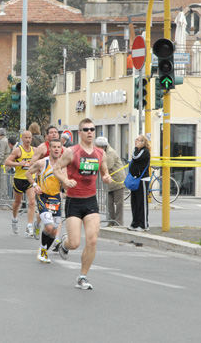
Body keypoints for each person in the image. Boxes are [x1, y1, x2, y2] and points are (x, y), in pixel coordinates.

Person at [53, 118, 112, 290]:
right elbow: (56, 168)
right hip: (74, 201)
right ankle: (64, 243)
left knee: (92, 240)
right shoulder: (72, 152)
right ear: (79, 133)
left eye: (92, 129)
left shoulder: (100, 153)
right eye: (86, 129)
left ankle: (82, 277)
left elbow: (104, 171)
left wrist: (106, 177)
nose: (89, 132)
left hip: (91, 200)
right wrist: (65, 179)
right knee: (75, 243)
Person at [26, 139, 64, 263]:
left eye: (59, 147)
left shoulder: (63, 165)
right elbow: (28, 173)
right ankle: (42, 249)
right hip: (43, 196)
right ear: (50, 149)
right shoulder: (42, 163)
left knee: (54, 231)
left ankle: (45, 250)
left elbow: (66, 182)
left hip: (56, 199)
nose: (57, 149)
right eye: (54, 147)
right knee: (49, 226)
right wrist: (35, 185)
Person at [5, 130, 36, 236]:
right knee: (17, 202)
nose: (28, 140)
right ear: (22, 138)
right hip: (19, 179)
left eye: (30, 138)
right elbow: (7, 162)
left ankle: (29, 226)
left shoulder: (34, 150)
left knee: (32, 202)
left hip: (30, 179)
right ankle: (14, 218)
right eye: (26, 138)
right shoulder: (18, 150)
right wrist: (18, 164)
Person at [95, 137, 126, 226]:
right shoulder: (103, 152)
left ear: (103, 146)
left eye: (99, 148)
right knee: (109, 203)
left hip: (117, 180)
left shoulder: (110, 153)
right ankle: (111, 221)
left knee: (119, 203)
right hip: (109, 182)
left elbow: (106, 166)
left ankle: (119, 222)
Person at [129, 135, 151, 231]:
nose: (135, 141)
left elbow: (135, 158)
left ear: (143, 142)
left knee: (142, 202)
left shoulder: (144, 152)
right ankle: (135, 223)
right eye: (135, 139)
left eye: (137, 140)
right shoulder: (137, 150)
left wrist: (134, 149)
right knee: (134, 202)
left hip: (142, 180)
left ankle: (144, 224)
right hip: (135, 179)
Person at [0, 128, 11, 200]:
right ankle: (4, 196)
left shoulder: (2, 141)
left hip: (2, 164)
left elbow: (1, 153)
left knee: (1, 181)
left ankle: (3, 197)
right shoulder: (6, 140)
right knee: (4, 181)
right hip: (4, 163)